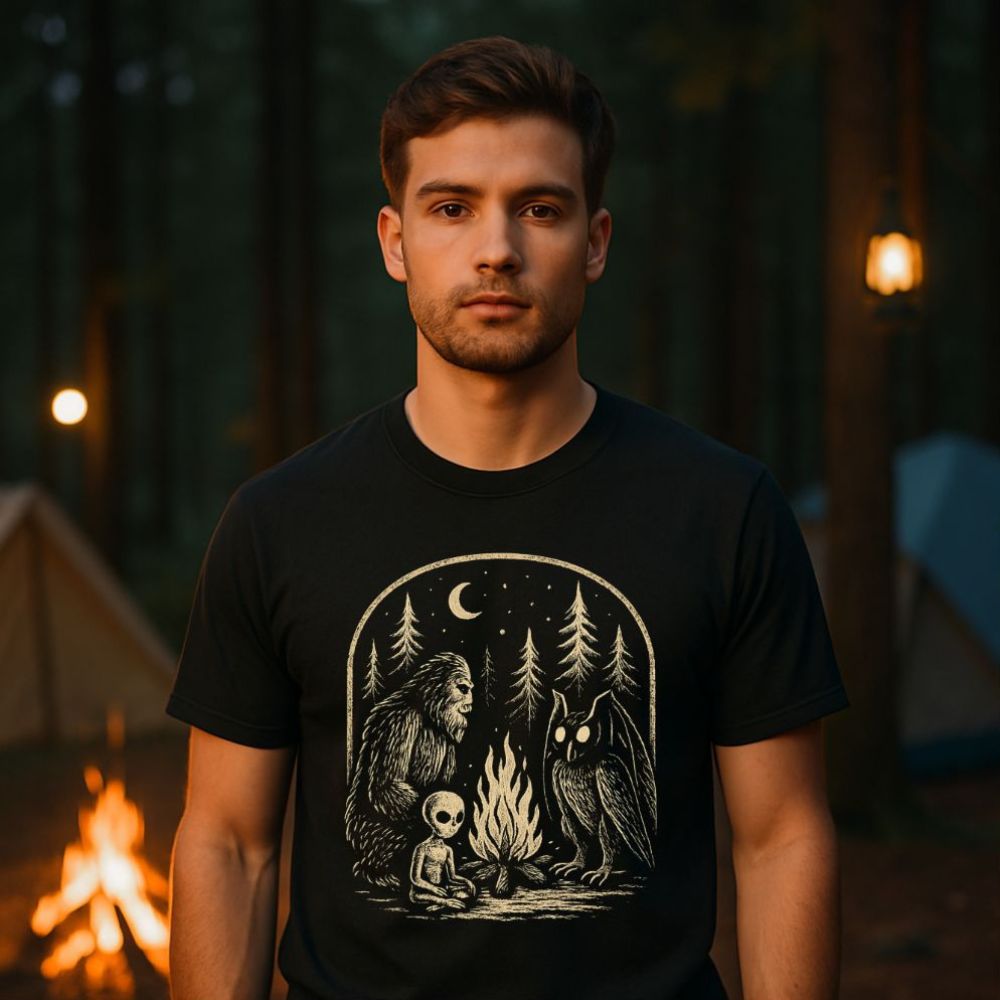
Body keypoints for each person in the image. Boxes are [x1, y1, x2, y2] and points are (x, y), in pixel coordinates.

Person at [166, 35, 849, 1000]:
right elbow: (228, 847)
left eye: (540, 208)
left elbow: (781, 840)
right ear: (395, 242)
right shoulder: (279, 522)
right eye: (451, 208)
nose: (497, 249)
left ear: (597, 242)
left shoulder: (724, 508)